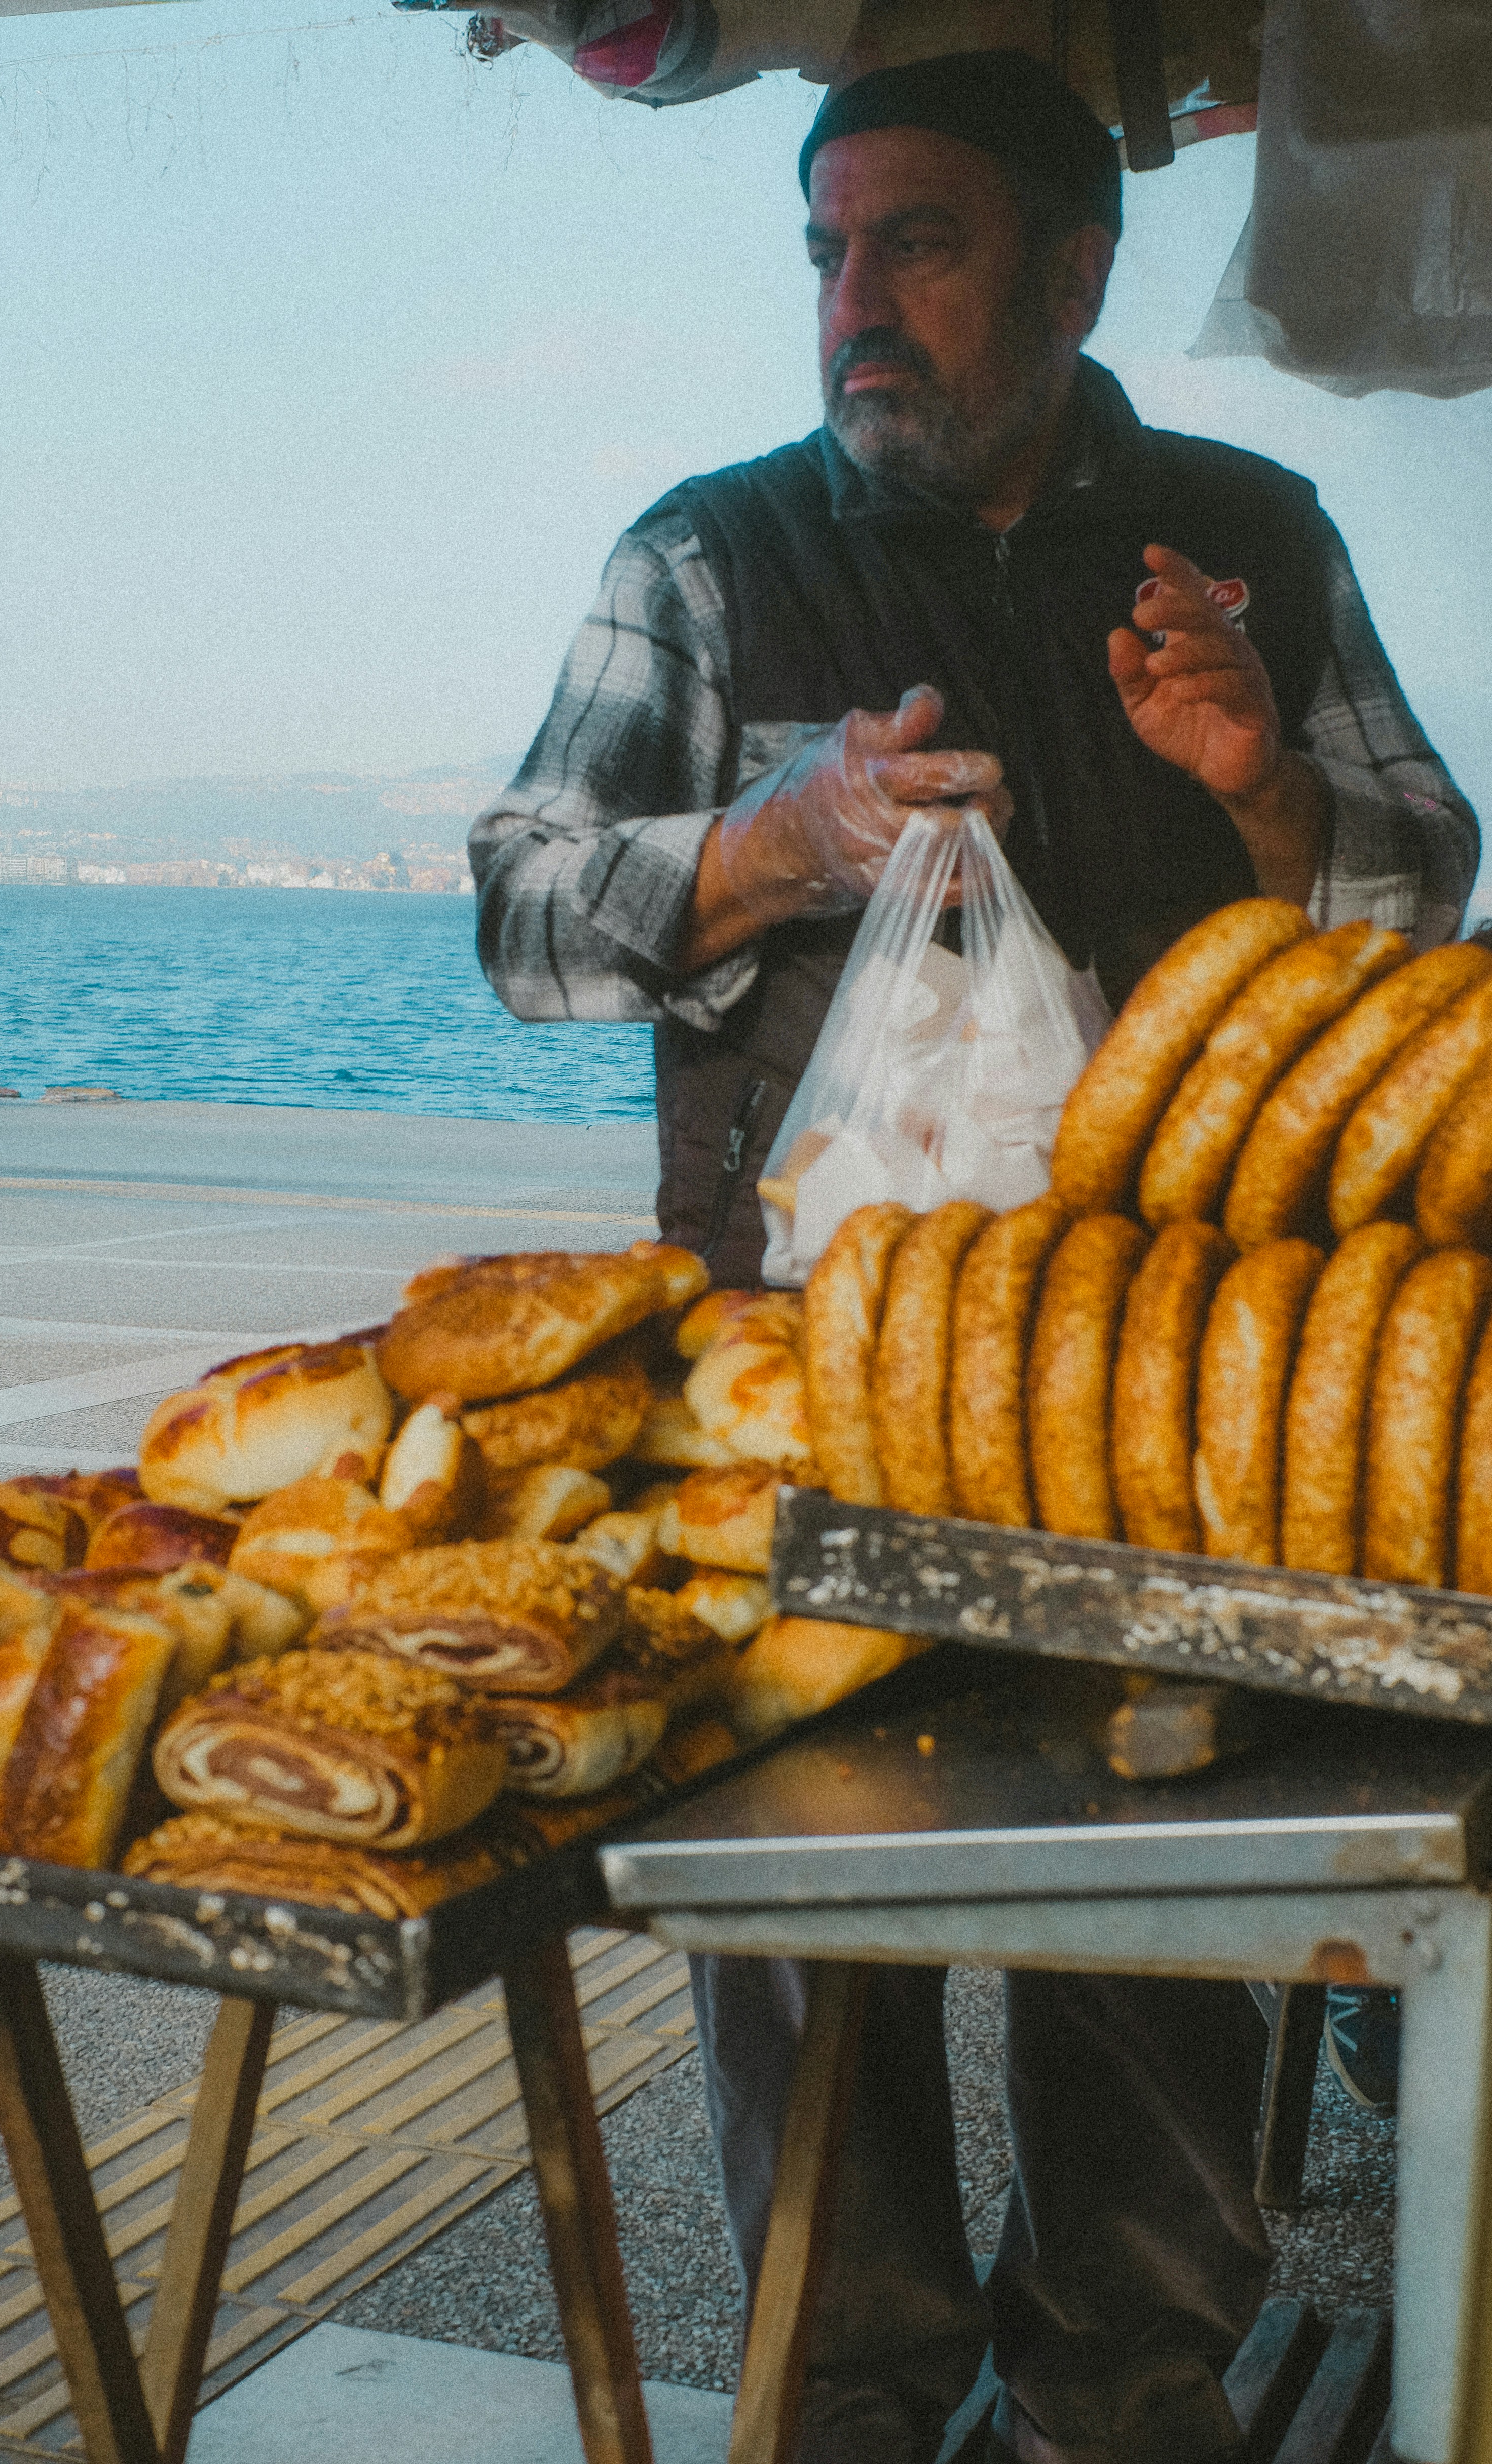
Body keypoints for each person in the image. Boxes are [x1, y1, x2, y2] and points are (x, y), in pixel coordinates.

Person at [472, 51, 1478, 2463]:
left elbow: (1414, 885)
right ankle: (843, 2399)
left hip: (1167, 1406)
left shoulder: (1252, 531)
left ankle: (1127, 2400)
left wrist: (1268, 785)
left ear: (1072, 269)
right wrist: (772, 846)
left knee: (1153, 1973)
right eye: (825, 252)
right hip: (799, 1390)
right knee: (809, 1978)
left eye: (913, 247)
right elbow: (520, 904)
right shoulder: (704, 558)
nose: (854, 308)